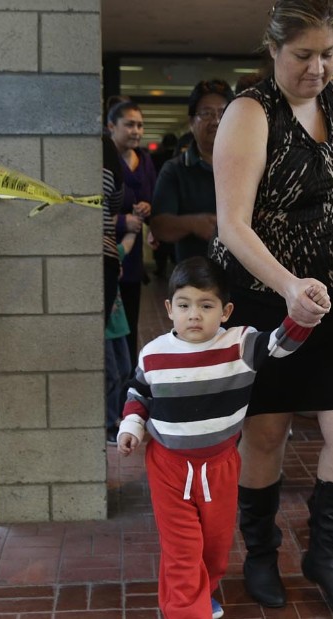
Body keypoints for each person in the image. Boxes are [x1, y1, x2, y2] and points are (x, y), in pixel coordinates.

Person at [210, 0, 333, 612]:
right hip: (266, 298)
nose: (317, 68)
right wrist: (289, 285)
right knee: (265, 432)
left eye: (328, 55)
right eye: (303, 55)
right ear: (273, 51)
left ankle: (326, 553)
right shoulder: (249, 112)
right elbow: (232, 225)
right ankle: (261, 554)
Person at [118, 256, 319, 619]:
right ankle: (185, 609)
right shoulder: (155, 353)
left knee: (214, 546)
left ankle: (197, 593)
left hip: (222, 465)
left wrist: (302, 317)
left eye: (206, 305)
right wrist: (130, 427)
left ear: (225, 311)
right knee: (182, 548)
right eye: (184, 305)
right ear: (169, 309)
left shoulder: (240, 345)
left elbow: (279, 345)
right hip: (169, 467)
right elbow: (138, 393)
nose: (194, 314)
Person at [150, 79, 233, 263]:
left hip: (246, 279)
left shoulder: (251, 164)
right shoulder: (175, 169)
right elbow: (158, 225)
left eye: (223, 113)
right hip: (195, 279)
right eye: (206, 114)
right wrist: (193, 224)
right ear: (191, 123)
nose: (216, 121)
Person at [107, 100, 156, 364]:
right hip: (109, 249)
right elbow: (92, 211)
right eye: (129, 124)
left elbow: (153, 197)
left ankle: (127, 381)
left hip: (133, 255)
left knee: (131, 322)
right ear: (111, 126)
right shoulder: (104, 162)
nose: (136, 131)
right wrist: (122, 221)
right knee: (111, 323)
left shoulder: (145, 161)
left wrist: (149, 210)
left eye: (140, 125)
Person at [102, 136, 137, 445]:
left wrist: (137, 222)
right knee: (112, 375)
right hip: (107, 325)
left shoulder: (112, 252)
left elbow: (126, 243)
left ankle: (118, 416)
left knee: (125, 369)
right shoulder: (103, 259)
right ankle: (109, 421)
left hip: (118, 326)